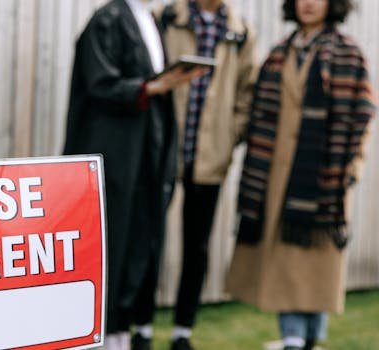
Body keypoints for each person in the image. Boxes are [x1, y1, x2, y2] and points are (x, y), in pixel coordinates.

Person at [225, 0, 376, 349]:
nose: (308, 3)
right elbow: (256, 114)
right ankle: (294, 337)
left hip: (324, 177)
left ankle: (308, 338)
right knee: (286, 262)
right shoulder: (280, 53)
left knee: (315, 264)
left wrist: (353, 169)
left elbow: (363, 114)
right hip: (276, 178)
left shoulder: (348, 53)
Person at [63, 1, 206, 349]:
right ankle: (101, 332)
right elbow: (100, 82)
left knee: (138, 240)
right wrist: (152, 88)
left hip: (145, 152)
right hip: (113, 154)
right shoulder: (107, 20)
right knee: (110, 241)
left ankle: (120, 331)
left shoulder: (150, 21)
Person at [128, 1, 257, 349]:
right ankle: (141, 326)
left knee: (196, 246)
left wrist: (230, 135)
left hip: (211, 156)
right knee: (149, 240)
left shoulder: (241, 33)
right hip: (162, 152)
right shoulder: (166, 19)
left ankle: (183, 331)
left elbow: (247, 93)